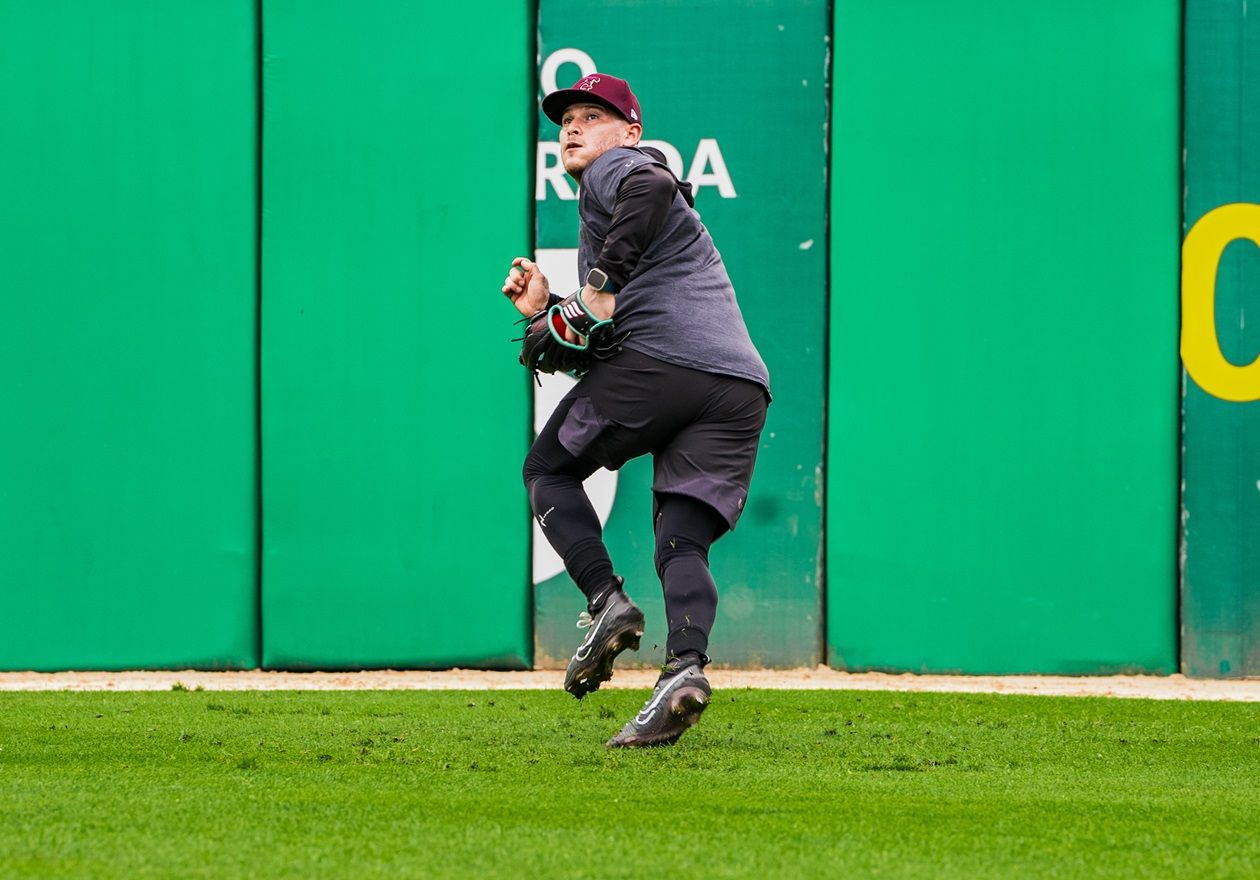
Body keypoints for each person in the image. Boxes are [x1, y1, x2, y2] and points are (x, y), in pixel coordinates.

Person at [501, 73, 770, 748]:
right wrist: (546, 309)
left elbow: (651, 188)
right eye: (566, 118)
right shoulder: (620, 210)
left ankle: (605, 602)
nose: (572, 126)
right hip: (734, 387)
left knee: (548, 470)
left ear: (629, 132)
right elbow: (602, 334)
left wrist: (594, 285)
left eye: (593, 115)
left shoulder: (619, 172)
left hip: (666, 368)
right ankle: (683, 673)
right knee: (681, 537)